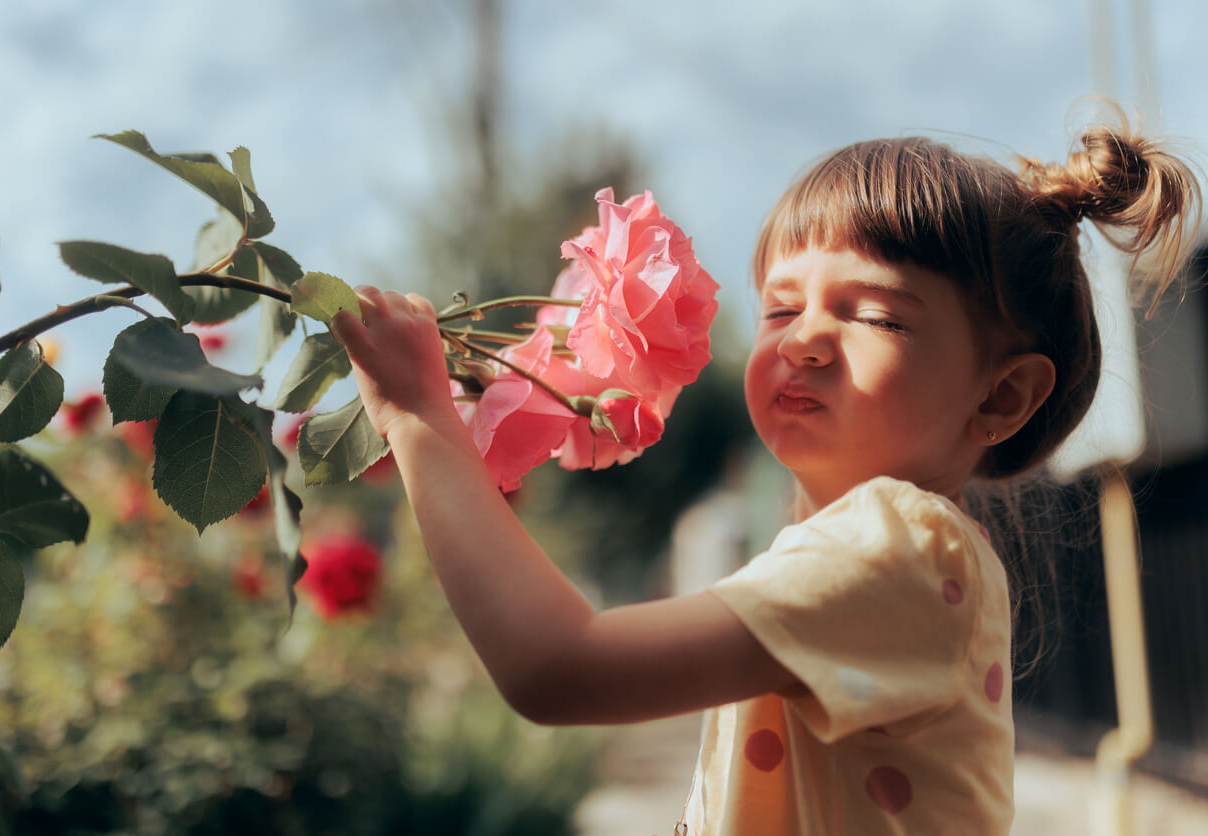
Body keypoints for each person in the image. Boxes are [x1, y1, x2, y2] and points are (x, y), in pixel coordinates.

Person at [331, 111, 1199, 834]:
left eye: (875, 316)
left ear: (1002, 396)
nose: (803, 337)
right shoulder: (862, 555)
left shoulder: (900, 545)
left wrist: (419, 419)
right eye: (782, 307)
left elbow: (558, 667)